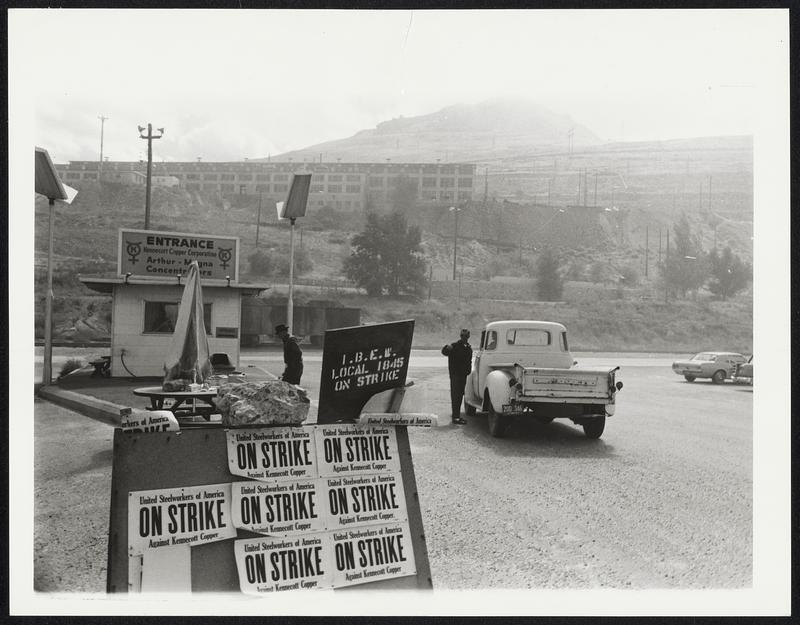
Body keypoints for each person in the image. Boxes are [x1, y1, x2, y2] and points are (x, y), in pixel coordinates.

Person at [442, 328, 472, 425]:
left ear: (468, 337)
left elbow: (469, 362)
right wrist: (446, 347)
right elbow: (444, 352)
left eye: (466, 336)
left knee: (459, 396)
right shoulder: (454, 346)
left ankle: (456, 415)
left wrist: (468, 371)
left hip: (463, 376)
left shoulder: (468, 348)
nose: (464, 337)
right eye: (463, 335)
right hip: (455, 375)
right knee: (456, 396)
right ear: (460, 336)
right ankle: (456, 417)